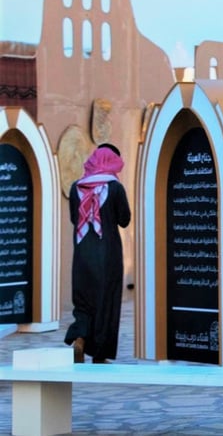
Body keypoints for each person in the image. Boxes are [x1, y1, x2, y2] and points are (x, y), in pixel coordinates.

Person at [64, 143, 130, 363]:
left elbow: (75, 219)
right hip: (108, 253)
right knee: (106, 301)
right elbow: (124, 219)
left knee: (83, 300)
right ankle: (100, 354)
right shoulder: (115, 188)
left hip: (82, 253)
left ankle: (80, 337)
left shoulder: (76, 187)